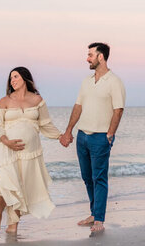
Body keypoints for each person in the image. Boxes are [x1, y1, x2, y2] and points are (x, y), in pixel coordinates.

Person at [59, 42, 126, 234]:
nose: (87, 58)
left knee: (99, 178)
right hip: (82, 137)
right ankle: (93, 212)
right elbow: (78, 106)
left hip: (100, 138)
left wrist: (110, 134)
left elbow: (118, 110)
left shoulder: (115, 81)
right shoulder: (86, 81)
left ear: (101, 57)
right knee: (87, 178)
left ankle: (99, 219)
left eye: (90, 55)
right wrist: (68, 131)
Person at [0, 67, 65, 234]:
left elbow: (45, 124)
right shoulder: (5, 100)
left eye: (15, 77)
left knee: (19, 186)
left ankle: (13, 224)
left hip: (29, 153)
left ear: (25, 78)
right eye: (10, 78)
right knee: (3, 182)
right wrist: (7, 141)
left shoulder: (37, 100)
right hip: (6, 149)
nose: (12, 81)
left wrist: (60, 136)